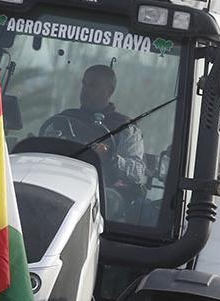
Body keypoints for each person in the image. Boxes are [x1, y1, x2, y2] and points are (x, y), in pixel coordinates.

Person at [43, 65, 146, 217]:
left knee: (109, 201)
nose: (85, 90)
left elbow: (138, 172)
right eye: (84, 84)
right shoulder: (63, 120)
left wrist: (111, 157)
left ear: (109, 91)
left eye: (92, 85)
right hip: (60, 182)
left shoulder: (126, 128)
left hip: (102, 193)